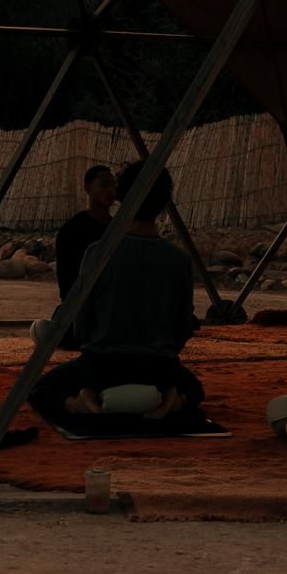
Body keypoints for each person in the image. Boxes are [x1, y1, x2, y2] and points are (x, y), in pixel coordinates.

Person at [33, 163, 204, 424]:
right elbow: (182, 328)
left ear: (122, 198)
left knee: (40, 390)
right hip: (158, 368)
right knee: (195, 390)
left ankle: (79, 403)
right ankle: (174, 401)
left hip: (103, 366)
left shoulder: (98, 253)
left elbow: (82, 324)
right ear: (164, 203)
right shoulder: (179, 261)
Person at [54, 163, 117, 306]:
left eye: (113, 185)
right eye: (104, 185)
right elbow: (66, 281)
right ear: (88, 188)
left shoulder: (116, 227)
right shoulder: (72, 230)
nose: (111, 190)